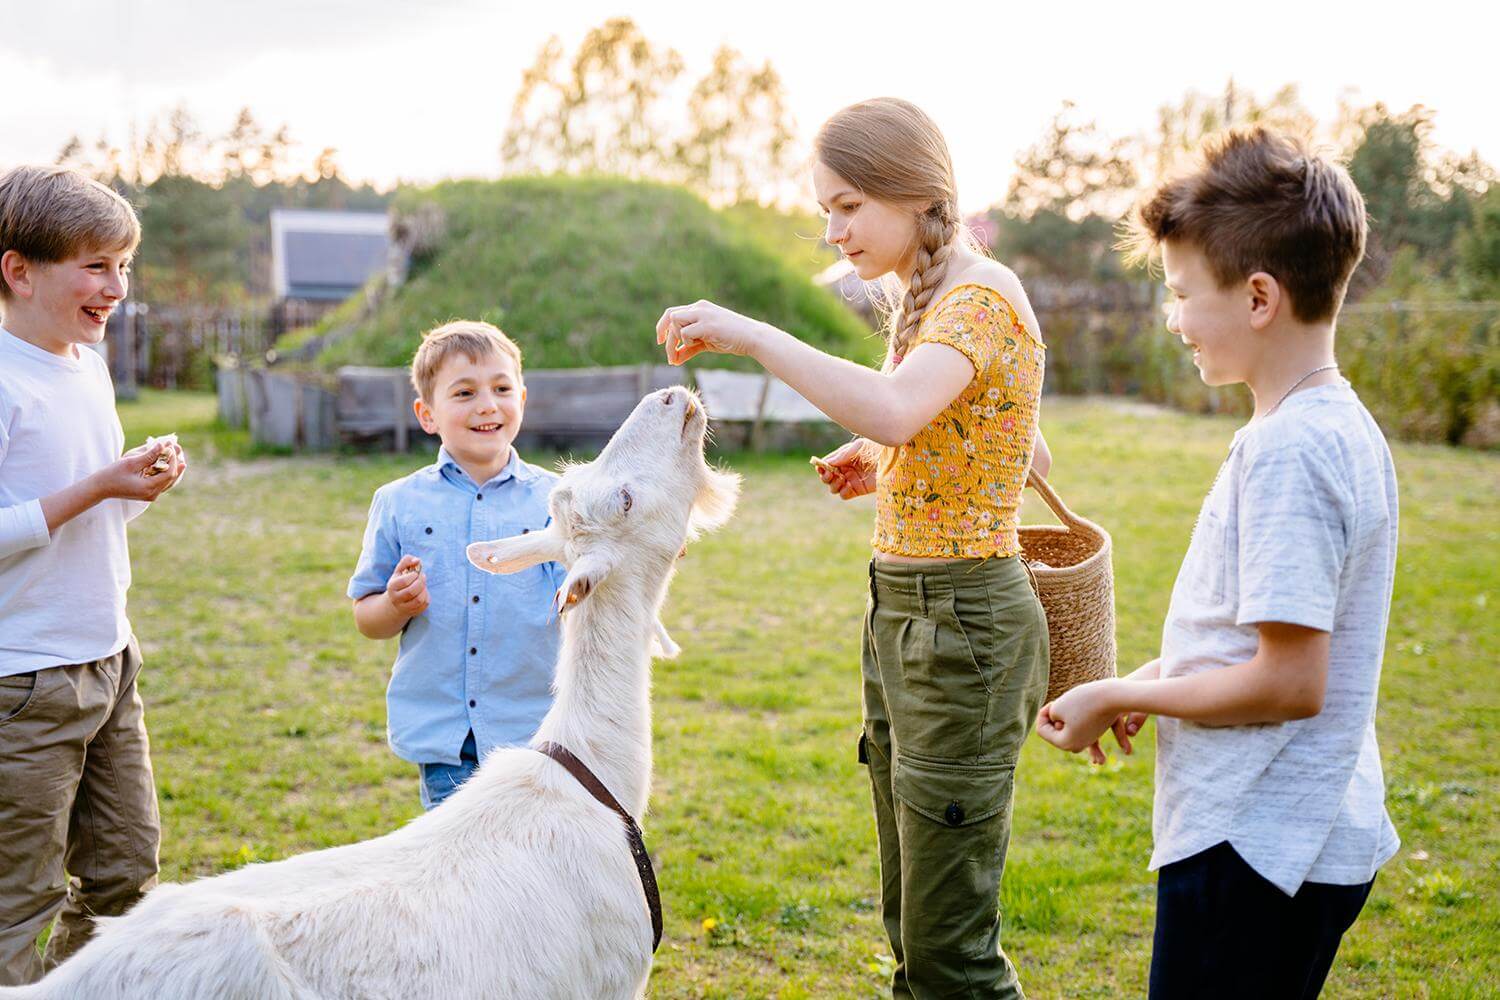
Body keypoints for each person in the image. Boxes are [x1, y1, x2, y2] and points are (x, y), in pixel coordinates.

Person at [658, 98, 1051, 999]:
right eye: (824, 208)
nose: (831, 230)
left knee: (951, 952)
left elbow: (899, 408)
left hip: (963, 627)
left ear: (913, 193)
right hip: (908, 617)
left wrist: (750, 334)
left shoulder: (979, 294)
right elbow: (1025, 447)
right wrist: (888, 461)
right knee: (913, 927)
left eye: (847, 205)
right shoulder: (933, 293)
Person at [1036, 128, 1400, 999]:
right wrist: (1162, 678)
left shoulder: (1288, 453)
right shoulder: (1340, 426)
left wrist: (1122, 693)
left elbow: (1289, 682)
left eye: (1181, 292)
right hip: (1308, 829)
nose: (1172, 316)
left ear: (1260, 297)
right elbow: (1264, 641)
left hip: (1257, 842)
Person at [0, 165, 186, 984]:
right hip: (23, 681)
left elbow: (93, 518)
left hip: (111, 660)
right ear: (19, 269)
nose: (117, 288)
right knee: (17, 897)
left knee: (125, 883)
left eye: (124, 266)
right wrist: (98, 485)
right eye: (96, 266)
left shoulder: (88, 363)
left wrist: (136, 486)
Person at [349, 321, 564, 810]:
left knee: (535, 874)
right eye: (465, 392)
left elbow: (585, 598)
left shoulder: (558, 501)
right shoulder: (398, 502)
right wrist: (396, 604)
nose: (487, 405)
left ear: (522, 400)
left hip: (538, 734)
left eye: (502, 389)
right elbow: (367, 617)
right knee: (463, 878)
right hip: (449, 743)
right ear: (427, 414)